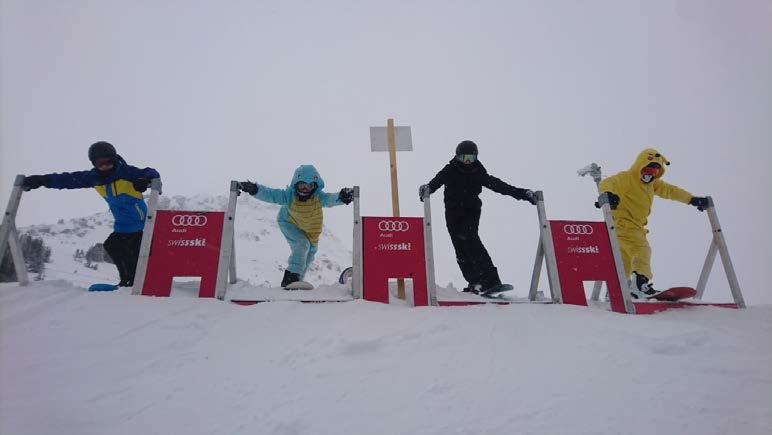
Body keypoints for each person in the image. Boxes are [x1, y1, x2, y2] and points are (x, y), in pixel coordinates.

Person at [22, 141, 160, 287]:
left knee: (134, 251)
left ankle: (137, 281)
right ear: (94, 163)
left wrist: (144, 180)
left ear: (114, 159)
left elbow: (151, 173)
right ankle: (127, 281)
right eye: (100, 163)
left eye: (109, 161)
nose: (105, 166)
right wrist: (43, 180)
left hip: (142, 223)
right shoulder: (94, 178)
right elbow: (67, 179)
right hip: (122, 225)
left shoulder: (127, 173)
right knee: (113, 246)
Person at [419, 140, 537, 295]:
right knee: (460, 247)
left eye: (470, 158)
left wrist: (524, 194)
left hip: (471, 211)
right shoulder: (450, 169)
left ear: (476, 157)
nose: (467, 162)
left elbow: (500, 186)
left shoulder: (478, 172)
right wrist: (427, 189)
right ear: (457, 157)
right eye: (463, 158)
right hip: (453, 213)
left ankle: (491, 280)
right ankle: (475, 282)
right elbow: (436, 182)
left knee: (471, 239)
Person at [598, 148, 709, 298]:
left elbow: (672, 191)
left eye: (655, 171)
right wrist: (608, 195)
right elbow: (608, 183)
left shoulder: (653, 184)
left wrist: (691, 199)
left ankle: (617, 292)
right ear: (639, 166)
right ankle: (640, 285)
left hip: (630, 227)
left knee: (624, 260)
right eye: (647, 168)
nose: (650, 173)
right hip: (624, 224)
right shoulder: (628, 178)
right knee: (642, 250)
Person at [239, 165, 353, 289]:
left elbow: (331, 199)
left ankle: (297, 284)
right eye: (302, 185)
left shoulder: (318, 197)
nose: (305, 189)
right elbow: (271, 194)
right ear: (295, 184)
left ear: (315, 186)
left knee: (308, 257)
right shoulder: (289, 196)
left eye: (309, 186)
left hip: (311, 233)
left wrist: (342, 196)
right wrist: (254, 189)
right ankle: (290, 279)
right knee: (301, 244)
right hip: (289, 223)